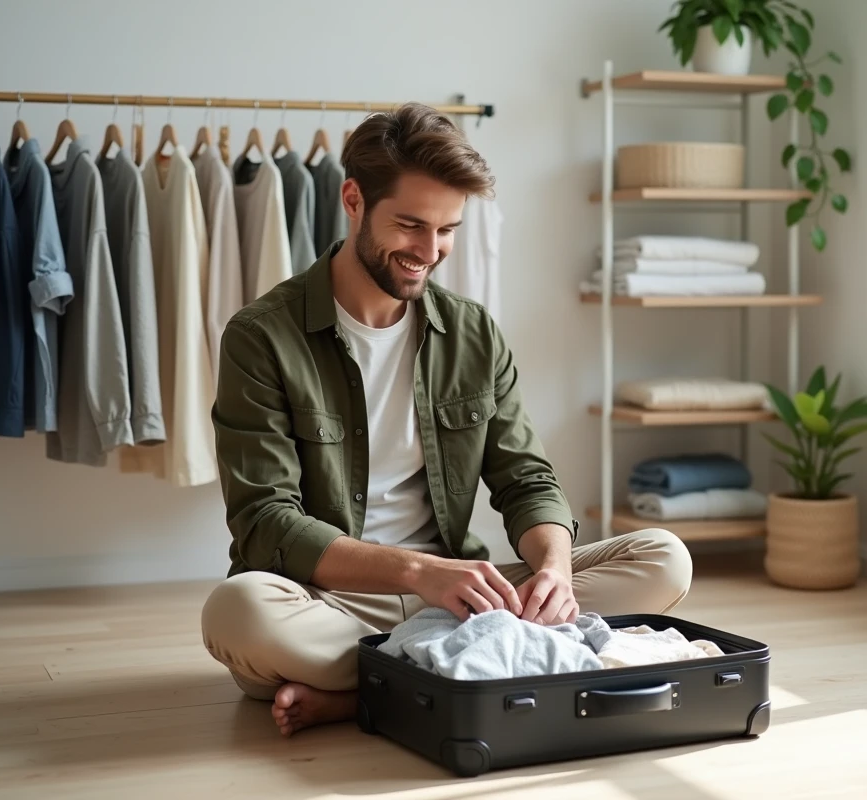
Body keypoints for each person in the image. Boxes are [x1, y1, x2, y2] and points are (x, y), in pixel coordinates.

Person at [199, 103, 693, 737]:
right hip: (334, 597)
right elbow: (265, 522)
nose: (429, 252)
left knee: (664, 557)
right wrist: (417, 572)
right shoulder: (261, 336)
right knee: (238, 612)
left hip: (466, 600)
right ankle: (470, 667)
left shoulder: (473, 332)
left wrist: (554, 574)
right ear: (354, 200)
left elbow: (527, 479)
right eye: (410, 225)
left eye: (447, 230)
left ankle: (372, 690)